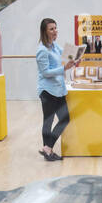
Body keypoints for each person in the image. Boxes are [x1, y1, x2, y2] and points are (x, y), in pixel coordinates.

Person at [35, 18, 77, 161]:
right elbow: (45, 72)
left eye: (55, 28)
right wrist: (64, 68)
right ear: (44, 32)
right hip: (47, 91)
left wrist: (76, 59)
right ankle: (48, 151)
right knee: (48, 121)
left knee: (65, 119)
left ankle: (47, 148)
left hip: (58, 89)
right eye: (51, 29)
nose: (55, 31)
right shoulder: (42, 50)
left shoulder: (54, 46)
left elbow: (66, 54)